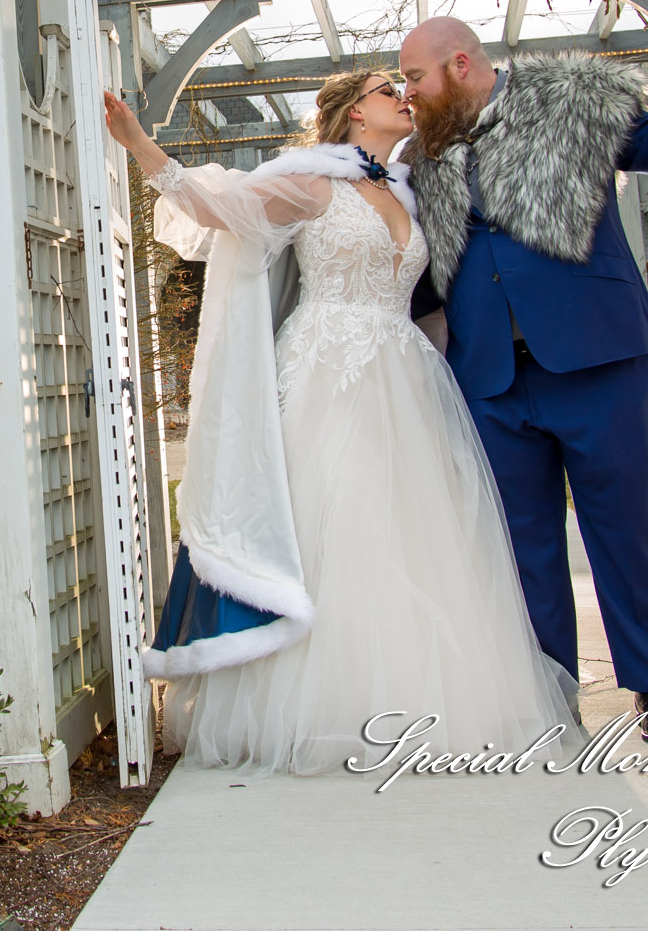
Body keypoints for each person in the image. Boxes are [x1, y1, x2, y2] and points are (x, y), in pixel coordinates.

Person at [102, 71, 582, 777]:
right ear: (356, 110)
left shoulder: (405, 187)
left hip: (406, 373)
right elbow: (215, 207)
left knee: (416, 532)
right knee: (338, 521)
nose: (404, 95)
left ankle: (413, 699)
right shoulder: (311, 181)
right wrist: (140, 144)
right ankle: (318, 708)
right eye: (391, 87)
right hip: (327, 369)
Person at [398, 16, 648, 746]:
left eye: (415, 77)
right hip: (490, 375)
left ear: (461, 63)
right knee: (520, 543)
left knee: (625, 529)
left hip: (596, 355)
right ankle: (553, 690)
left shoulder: (568, 100)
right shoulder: (423, 153)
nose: (407, 91)